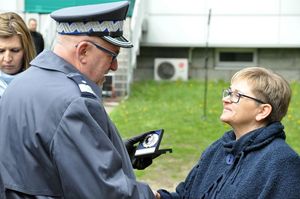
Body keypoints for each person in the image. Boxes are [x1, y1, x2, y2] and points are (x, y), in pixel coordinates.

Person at [0, 2, 156, 198]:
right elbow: (105, 192)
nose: (114, 66)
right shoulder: (75, 102)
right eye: (111, 55)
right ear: (83, 51)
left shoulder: (20, 84)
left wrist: (113, 149)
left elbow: (38, 159)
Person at [156, 67, 300, 199]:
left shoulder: (282, 162)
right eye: (229, 92)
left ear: (262, 111)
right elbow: (185, 196)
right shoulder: (219, 148)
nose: (225, 99)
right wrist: (152, 196)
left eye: (237, 95)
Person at [0, 12, 36, 98]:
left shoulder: (40, 85)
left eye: (15, 50)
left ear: (26, 50)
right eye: (1, 51)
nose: (8, 59)